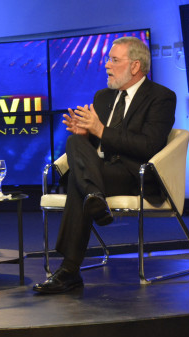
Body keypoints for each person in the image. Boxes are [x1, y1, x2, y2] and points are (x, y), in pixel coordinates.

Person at [33, 36, 175, 294]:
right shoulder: (103, 97)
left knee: (78, 182)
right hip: (100, 170)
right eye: (108, 59)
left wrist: (100, 130)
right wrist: (86, 134)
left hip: (134, 175)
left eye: (114, 60)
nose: (107, 65)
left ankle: (69, 270)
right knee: (75, 142)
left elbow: (149, 146)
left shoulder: (161, 97)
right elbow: (96, 143)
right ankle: (94, 197)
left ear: (134, 66)